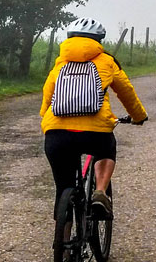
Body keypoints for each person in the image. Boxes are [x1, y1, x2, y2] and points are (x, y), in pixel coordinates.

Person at [41, 17, 147, 221]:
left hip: (57, 135)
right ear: (98, 40)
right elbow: (126, 92)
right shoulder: (107, 61)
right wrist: (139, 116)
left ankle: (63, 243)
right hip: (95, 133)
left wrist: (47, 123)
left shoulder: (60, 64)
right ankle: (99, 192)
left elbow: (47, 97)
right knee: (107, 148)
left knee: (63, 187)